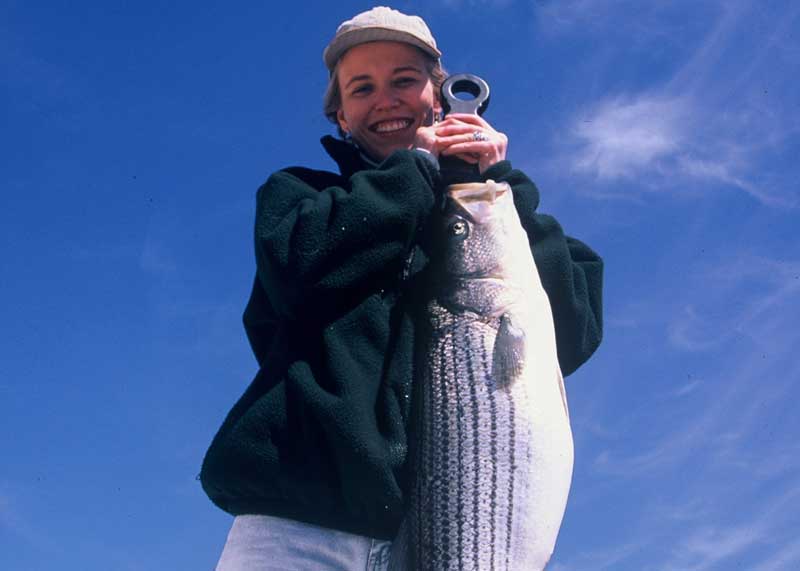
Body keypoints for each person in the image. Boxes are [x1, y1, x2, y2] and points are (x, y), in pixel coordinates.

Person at [200, 6, 603, 570]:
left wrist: (495, 181)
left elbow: (576, 327)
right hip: (301, 529)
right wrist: (417, 169)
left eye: (404, 80)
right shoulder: (300, 197)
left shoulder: (489, 210)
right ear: (340, 116)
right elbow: (299, 265)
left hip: (467, 526)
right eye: (362, 88)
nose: (385, 99)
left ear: (437, 97)